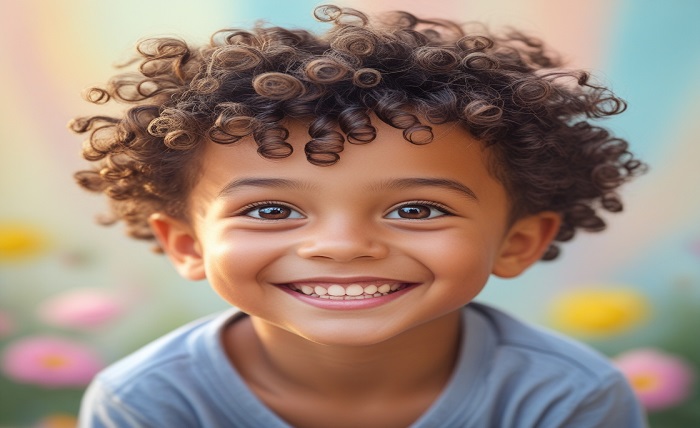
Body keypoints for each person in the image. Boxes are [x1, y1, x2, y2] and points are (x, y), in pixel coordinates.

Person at [72, 5, 648, 427]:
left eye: (415, 209)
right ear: (188, 245)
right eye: (271, 209)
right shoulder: (147, 403)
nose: (343, 246)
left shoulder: (567, 399)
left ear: (517, 242)